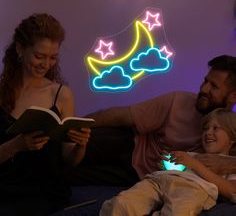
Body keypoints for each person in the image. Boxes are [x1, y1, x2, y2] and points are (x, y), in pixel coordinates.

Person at [88, 55, 236, 181]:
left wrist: (228, 164)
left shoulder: (231, 129)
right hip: (131, 146)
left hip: (142, 176)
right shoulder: (179, 100)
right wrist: (77, 123)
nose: (204, 89)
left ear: (233, 96)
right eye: (205, 81)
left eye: (214, 86)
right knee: (79, 141)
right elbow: (123, 116)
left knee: (76, 175)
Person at [0, 13, 90, 215]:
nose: (46, 64)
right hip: (5, 190)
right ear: (20, 49)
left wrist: (80, 145)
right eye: (39, 56)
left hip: (45, 193)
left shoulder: (61, 95)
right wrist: (16, 146)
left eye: (53, 57)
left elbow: (70, 160)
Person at [99, 108, 236, 216]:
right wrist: (167, 163)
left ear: (232, 139)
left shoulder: (231, 165)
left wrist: (196, 165)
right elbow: (175, 168)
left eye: (216, 128)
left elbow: (231, 190)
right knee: (122, 204)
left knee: (178, 211)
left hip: (194, 190)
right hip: (160, 180)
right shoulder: (192, 155)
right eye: (205, 129)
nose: (208, 132)